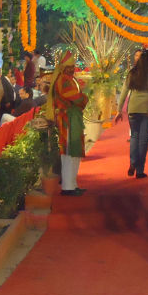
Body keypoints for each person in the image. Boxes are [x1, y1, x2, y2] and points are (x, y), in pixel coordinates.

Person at [42, 51, 89, 196]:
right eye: (70, 65)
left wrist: (82, 98)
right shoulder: (63, 80)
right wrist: (84, 99)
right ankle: (68, 187)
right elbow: (75, 97)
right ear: (63, 66)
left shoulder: (69, 78)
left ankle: (72, 184)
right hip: (67, 119)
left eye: (73, 65)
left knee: (74, 153)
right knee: (69, 152)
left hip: (73, 118)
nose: (72, 68)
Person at [115, 51, 148, 178]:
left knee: (134, 137)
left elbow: (124, 92)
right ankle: (140, 170)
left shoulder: (132, 73)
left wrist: (119, 110)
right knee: (143, 140)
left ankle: (132, 162)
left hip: (133, 108)